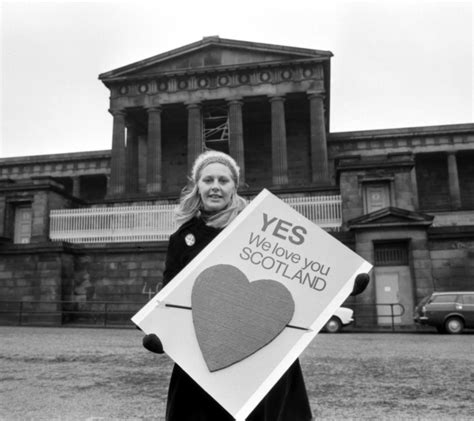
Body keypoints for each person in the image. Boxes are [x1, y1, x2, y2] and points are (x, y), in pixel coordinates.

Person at [142, 150, 369, 421]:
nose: (215, 186)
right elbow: (169, 295)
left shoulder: (262, 226)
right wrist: (161, 334)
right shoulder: (182, 238)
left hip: (266, 348)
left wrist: (342, 283)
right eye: (208, 179)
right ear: (198, 186)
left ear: (234, 187)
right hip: (205, 352)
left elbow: (300, 272)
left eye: (223, 180)